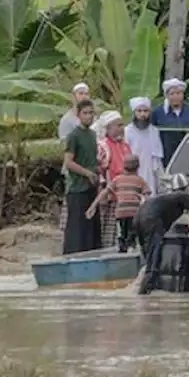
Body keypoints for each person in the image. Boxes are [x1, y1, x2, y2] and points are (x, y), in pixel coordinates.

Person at [134, 174, 189, 295]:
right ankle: (144, 296)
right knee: (153, 262)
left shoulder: (166, 198)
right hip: (152, 221)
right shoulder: (185, 196)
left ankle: (146, 287)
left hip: (138, 218)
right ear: (186, 187)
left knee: (148, 259)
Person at [61, 99, 101, 255]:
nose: (89, 116)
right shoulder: (74, 136)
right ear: (78, 115)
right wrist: (87, 173)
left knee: (91, 227)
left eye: (91, 113)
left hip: (92, 187)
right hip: (77, 188)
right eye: (85, 113)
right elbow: (68, 162)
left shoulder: (92, 135)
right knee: (76, 229)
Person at [88, 154, 149, 253]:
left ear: (123, 166)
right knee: (132, 231)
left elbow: (105, 192)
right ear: (138, 167)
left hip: (121, 212)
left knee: (122, 232)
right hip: (134, 212)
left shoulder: (117, 179)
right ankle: (131, 246)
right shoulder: (140, 181)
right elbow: (146, 197)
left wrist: (93, 205)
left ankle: (123, 246)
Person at [92, 110, 133, 250]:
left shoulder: (125, 146)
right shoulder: (103, 147)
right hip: (108, 196)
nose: (121, 128)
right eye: (118, 125)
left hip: (124, 196)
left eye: (122, 125)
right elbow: (99, 171)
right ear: (108, 129)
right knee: (105, 230)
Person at [58, 83, 91, 234]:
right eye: (80, 93)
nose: (83, 96)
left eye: (86, 93)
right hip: (74, 170)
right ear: (74, 96)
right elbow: (66, 147)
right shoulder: (67, 120)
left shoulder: (91, 119)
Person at [152, 78, 189, 167]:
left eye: (178, 93)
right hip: (165, 155)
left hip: (187, 154)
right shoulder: (158, 112)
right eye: (172, 94)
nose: (175, 96)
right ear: (167, 95)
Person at [124, 96, 164, 194]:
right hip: (132, 170)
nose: (142, 114)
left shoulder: (154, 131)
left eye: (145, 111)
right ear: (134, 113)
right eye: (139, 111)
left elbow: (157, 157)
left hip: (150, 170)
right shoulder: (127, 131)